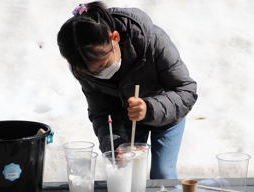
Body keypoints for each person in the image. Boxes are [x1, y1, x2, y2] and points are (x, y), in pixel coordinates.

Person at [57, 1, 197, 179]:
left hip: (167, 112)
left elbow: (186, 90)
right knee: (126, 174)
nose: (99, 74)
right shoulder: (83, 66)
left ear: (114, 38)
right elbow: (101, 113)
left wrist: (149, 108)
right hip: (126, 121)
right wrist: (115, 147)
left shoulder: (152, 40)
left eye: (102, 65)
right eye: (91, 72)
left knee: (162, 174)